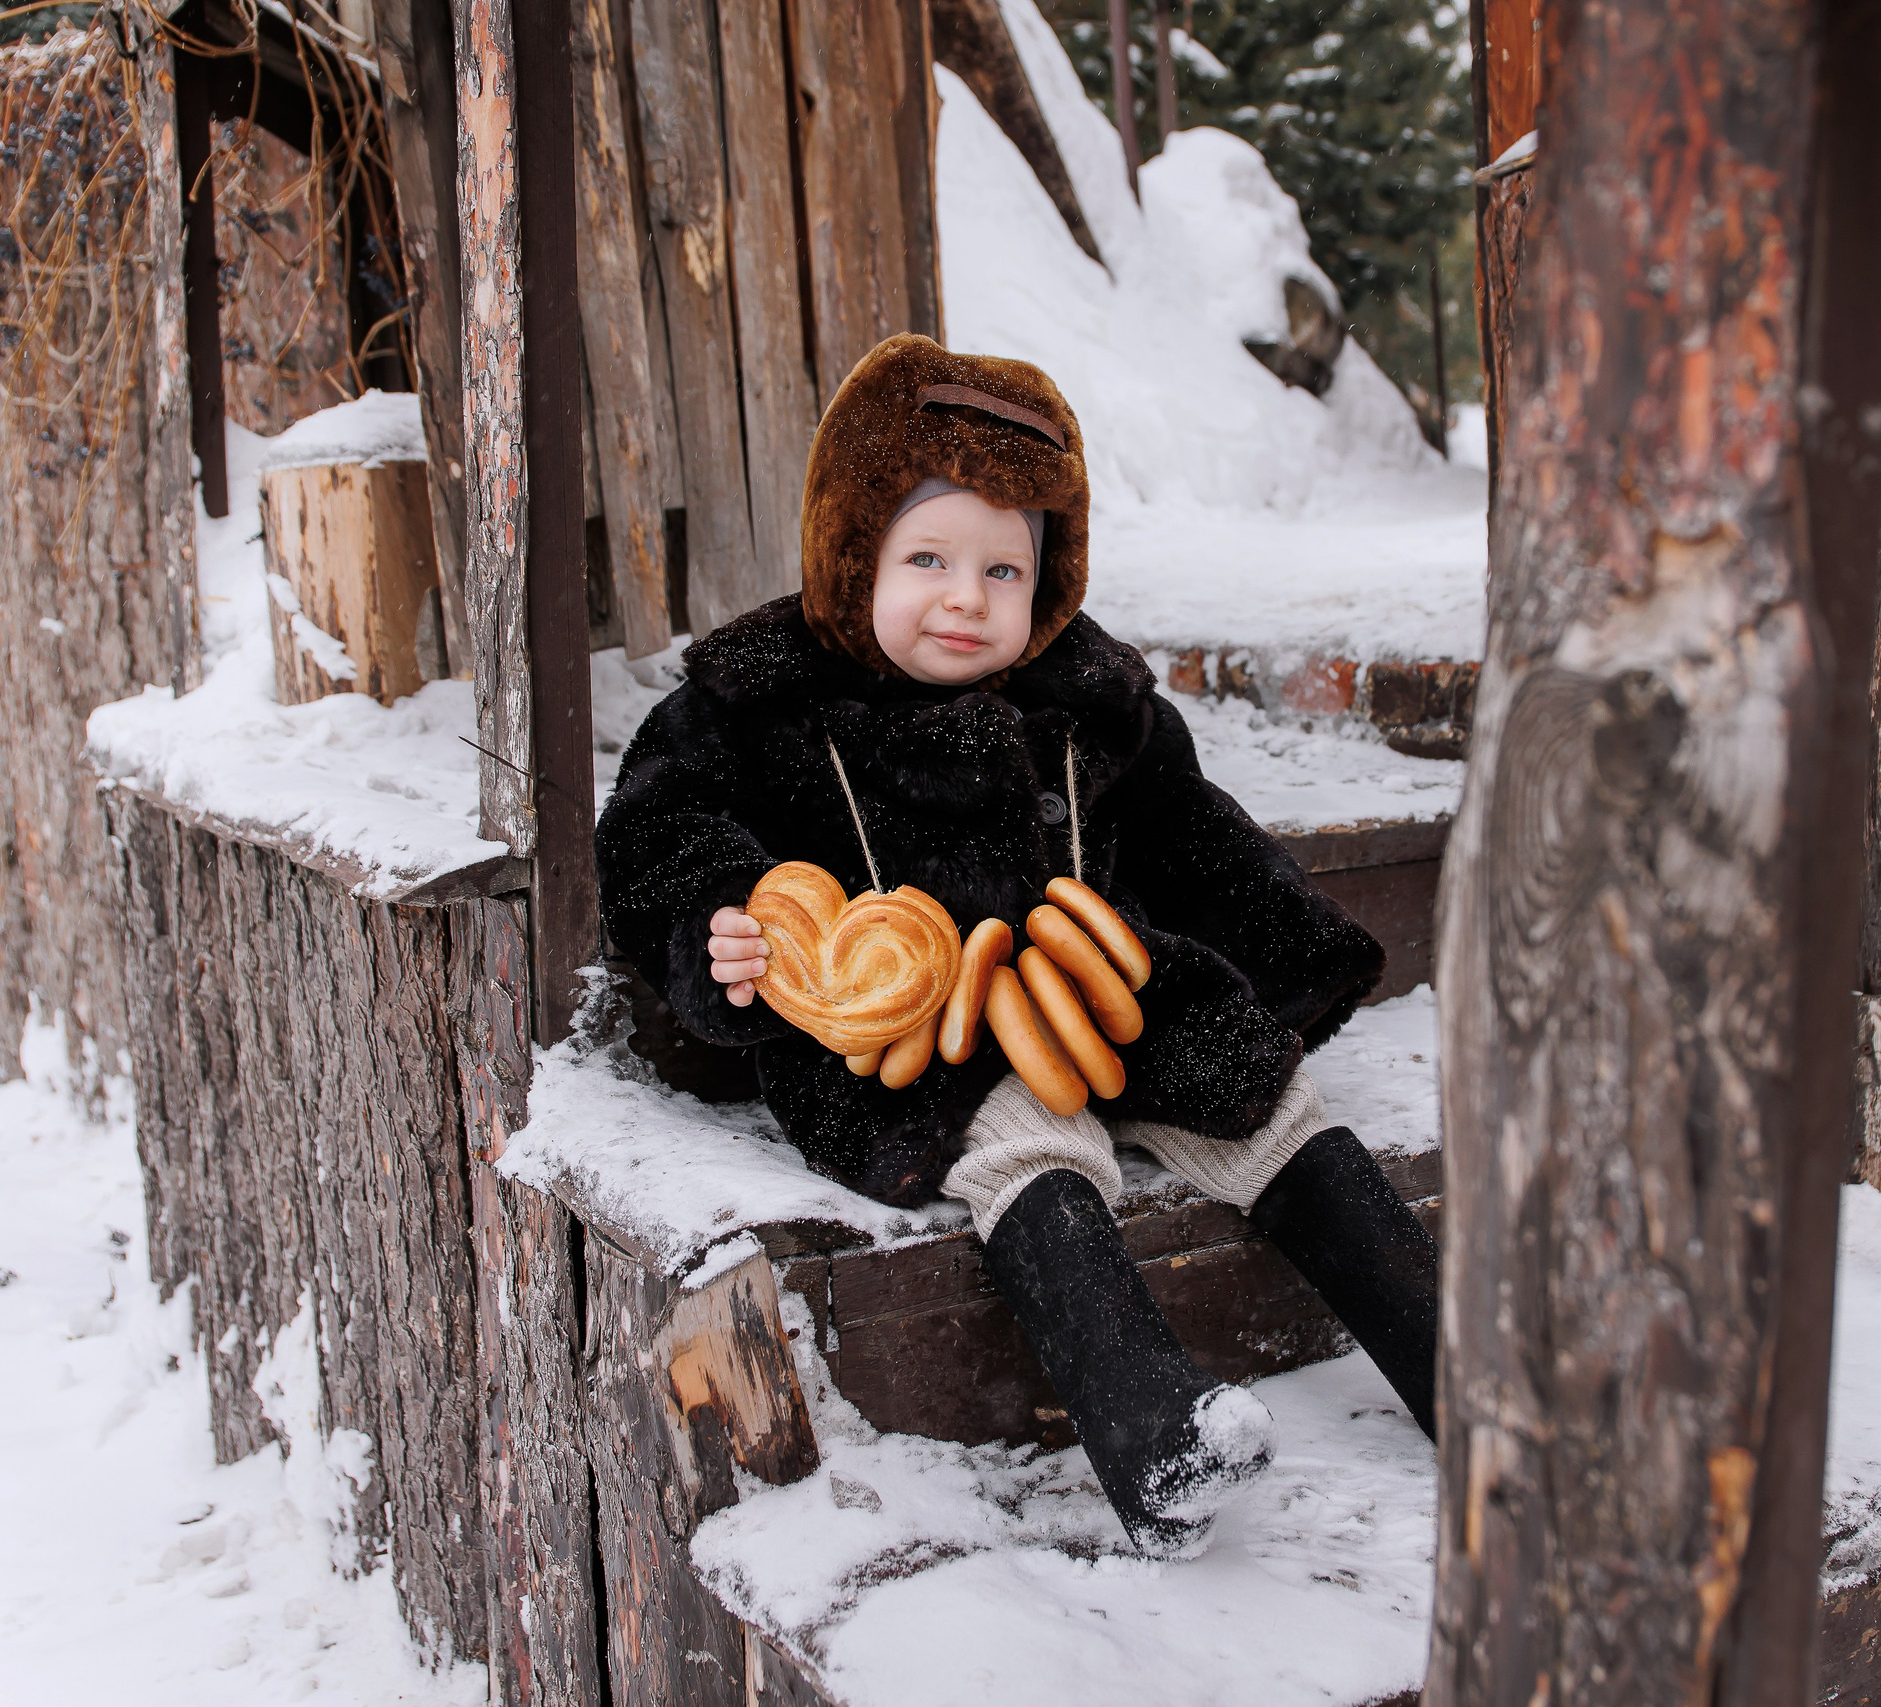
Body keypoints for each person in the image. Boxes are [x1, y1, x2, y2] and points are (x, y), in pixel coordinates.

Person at [595, 333, 1437, 1558]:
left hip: (1097, 978)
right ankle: (1155, 1435)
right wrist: (714, 922)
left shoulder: (1085, 694)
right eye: (927, 556)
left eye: (1003, 568)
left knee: (1262, 1099)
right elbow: (657, 829)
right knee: (1019, 1133)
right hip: (918, 1028)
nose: (964, 597)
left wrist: (1289, 947)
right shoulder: (760, 700)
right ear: (850, 551)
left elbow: (1187, 825)